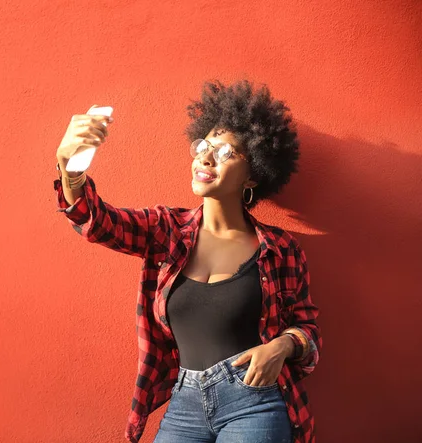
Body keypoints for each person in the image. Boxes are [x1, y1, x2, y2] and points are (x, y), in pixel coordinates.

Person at [53, 79, 322, 443]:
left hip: (254, 401)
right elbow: (98, 223)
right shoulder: (166, 230)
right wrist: (70, 171)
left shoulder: (279, 248)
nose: (206, 158)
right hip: (185, 403)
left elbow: (308, 329)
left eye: (226, 153)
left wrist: (282, 345)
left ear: (254, 174)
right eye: (204, 146)